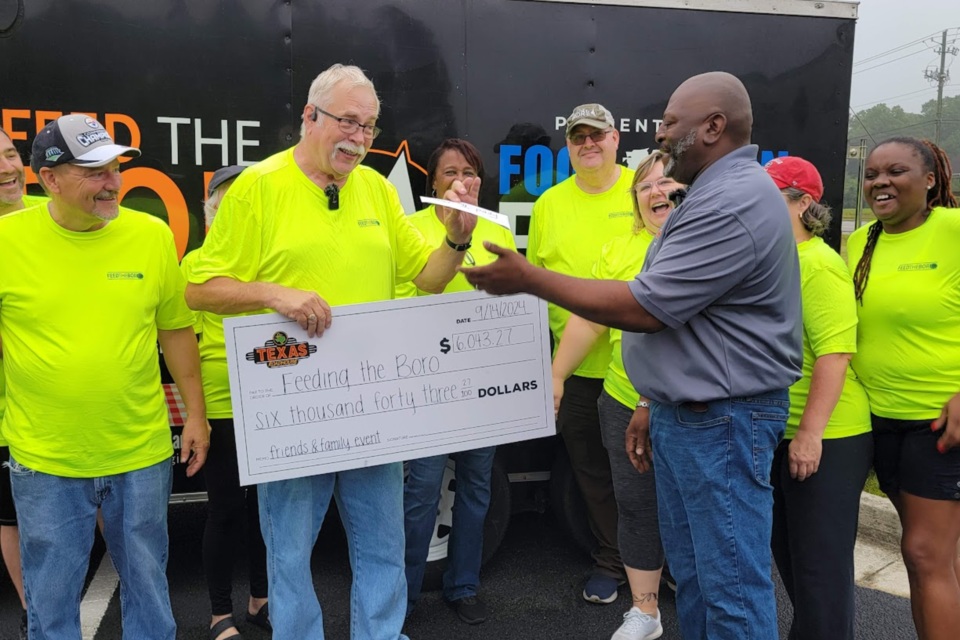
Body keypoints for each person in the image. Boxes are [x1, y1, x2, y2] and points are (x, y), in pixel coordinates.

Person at [460, 72, 802, 640]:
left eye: (670, 122)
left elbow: (648, 307)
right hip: (692, 415)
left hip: (723, 421)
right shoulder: (712, 193)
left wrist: (529, 278)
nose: (662, 135)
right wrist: (651, 401)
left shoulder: (733, 200)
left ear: (714, 126)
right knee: (696, 578)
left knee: (730, 590)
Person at [184, 63, 478, 640]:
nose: (360, 138)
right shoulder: (259, 188)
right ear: (309, 117)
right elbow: (200, 288)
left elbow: (427, 277)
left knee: (382, 549)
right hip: (292, 410)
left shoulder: (372, 186)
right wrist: (275, 294)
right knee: (289, 557)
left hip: (370, 409)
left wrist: (456, 237)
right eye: (349, 121)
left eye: (369, 127)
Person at [0, 115, 209, 640]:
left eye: (114, 168)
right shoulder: (7, 241)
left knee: (149, 595)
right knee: (49, 605)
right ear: (47, 180)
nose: (113, 182)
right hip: (44, 458)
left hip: (139, 453)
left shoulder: (151, 235)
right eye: (93, 172)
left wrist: (197, 417)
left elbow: (176, 331)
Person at [551, 151, 678, 640]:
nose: (655, 193)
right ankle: (645, 613)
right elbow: (587, 319)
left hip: (689, 408)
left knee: (693, 508)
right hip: (623, 401)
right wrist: (559, 375)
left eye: (666, 182)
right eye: (644, 186)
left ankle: (700, 600)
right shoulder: (617, 250)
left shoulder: (708, 244)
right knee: (635, 507)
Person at [398, 138, 517, 626]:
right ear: (433, 183)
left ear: (480, 181)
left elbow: (513, 298)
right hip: (429, 384)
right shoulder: (410, 229)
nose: (460, 181)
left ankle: (463, 586)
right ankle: (401, 599)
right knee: (422, 490)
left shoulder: (498, 230)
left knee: (475, 486)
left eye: (468, 173)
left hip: (480, 382)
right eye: (449, 173)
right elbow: (406, 295)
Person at [847, 136, 960, 640]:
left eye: (895, 172)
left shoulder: (952, 230)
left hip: (938, 422)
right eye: (871, 174)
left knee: (922, 552)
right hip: (876, 419)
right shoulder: (861, 241)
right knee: (932, 558)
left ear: (930, 180)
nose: (879, 183)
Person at [527, 103, 635, 603]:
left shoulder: (644, 191)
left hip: (635, 371)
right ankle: (613, 561)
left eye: (598, 135)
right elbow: (539, 278)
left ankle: (658, 563)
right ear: (567, 146)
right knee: (590, 472)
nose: (588, 144)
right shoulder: (549, 203)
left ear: (616, 139)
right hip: (571, 367)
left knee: (642, 472)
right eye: (578, 138)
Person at [763, 156, 872, 640]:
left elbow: (835, 354)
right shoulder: (776, 257)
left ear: (804, 203)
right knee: (794, 565)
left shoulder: (821, 265)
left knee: (819, 574)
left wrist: (809, 435)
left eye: (771, 198)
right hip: (780, 431)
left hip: (827, 434)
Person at [180, 164, 270, 640]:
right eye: (226, 200)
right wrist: (198, 415)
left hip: (272, 401)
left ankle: (260, 601)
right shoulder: (194, 267)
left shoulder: (271, 263)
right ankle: (219, 615)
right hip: (221, 406)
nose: (235, 208)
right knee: (225, 509)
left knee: (267, 509)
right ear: (209, 207)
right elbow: (184, 350)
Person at [0, 126, 45, 640]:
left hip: (58, 402)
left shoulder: (48, 212)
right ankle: (32, 606)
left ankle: (130, 588)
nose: (7, 169)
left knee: (103, 501)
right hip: (8, 406)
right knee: (11, 516)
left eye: (11, 155)